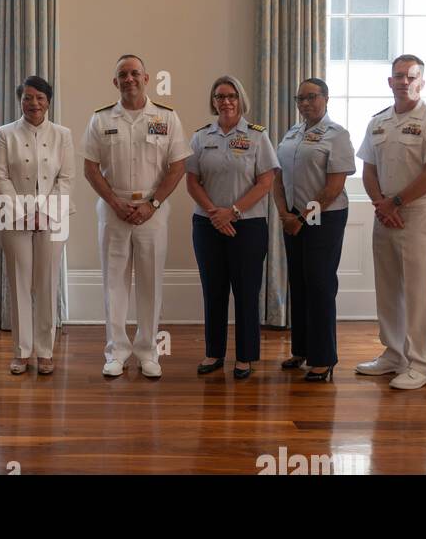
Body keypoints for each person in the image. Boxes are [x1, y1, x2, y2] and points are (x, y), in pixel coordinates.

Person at [82, 54, 192, 379]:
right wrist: (115, 203)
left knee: (150, 283)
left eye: (134, 73)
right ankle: (116, 352)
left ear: (146, 78)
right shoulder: (101, 119)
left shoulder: (167, 118)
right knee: (114, 283)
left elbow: (178, 166)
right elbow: (90, 168)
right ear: (115, 82)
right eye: (122, 75)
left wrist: (152, 204)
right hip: (112, 209)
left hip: (152, 211)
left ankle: (147, 352)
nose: (129, 79)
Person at [354, 54, 426, 390]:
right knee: (388, 288)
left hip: (417, 213)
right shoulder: (378, 122)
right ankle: (394, 354)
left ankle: (422, 364)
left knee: (418, 291)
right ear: (390, 81)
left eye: (411, 76)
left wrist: (395, 202)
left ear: (421, 81)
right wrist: (381, 204)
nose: (404, 82)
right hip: (384, 213)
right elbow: (369, 169)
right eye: (398, 76)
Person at [187, 76, 277, 379]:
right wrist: (216, 214)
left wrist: (233, 212)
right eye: (220, 96)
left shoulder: (257, 136)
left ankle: (245, 356)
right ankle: (214, 352)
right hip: (207, 224)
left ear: (240, 100)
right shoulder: (201, 137)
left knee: (246, 291)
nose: (226, 101)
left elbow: (266, 181)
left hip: (247, 226)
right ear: (213, 101)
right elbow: (192, 181)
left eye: (231, 96)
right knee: (213, 290)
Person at [0, 75, 75, 375]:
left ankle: (45, 351)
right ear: (20, 101)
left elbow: (66, 178)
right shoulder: (5, 134)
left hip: (54, 218)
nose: (33, 103)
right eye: (27, 98)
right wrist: (25, 213)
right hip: (14, 218)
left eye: (39, 97)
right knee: (20, 284)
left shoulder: (63, 135)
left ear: (48, 101)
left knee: (47, 284)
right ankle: (22, 352)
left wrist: (45, 213)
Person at [271, 77, 355, 382]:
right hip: (292, 216)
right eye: (300, 99)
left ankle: (323, 358)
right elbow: (277, 177)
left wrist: (301, 218)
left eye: (312, 97)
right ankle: (302, 349)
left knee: (320, 284)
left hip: (323, 217)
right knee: (299, 281)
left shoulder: (337, 135)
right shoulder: (292, 133)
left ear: (326, 98)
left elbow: (333, 188)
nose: (305, 103)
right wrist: (284, 213)